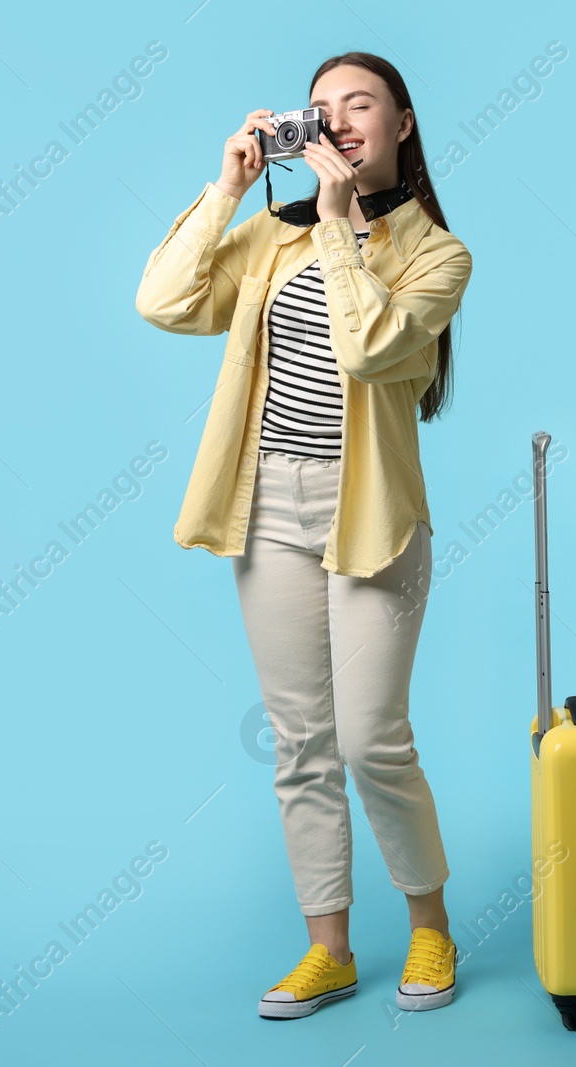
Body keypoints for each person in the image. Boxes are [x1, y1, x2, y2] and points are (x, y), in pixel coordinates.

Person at [134, 51, 473, 1020]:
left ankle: (429, 925)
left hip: (371, 514)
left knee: (372, 739)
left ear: (401, 124)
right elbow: (161, 300)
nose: (337, 119)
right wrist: (229, 187)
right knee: (301, 742)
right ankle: (329, 946)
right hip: (267, 509)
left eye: (357, 103)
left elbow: (369, 347)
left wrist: (334, 226)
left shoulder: (436, 255)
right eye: (319, 108)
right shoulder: (269, 239)